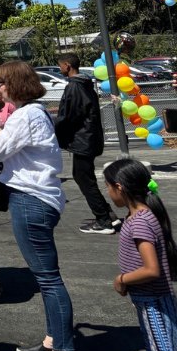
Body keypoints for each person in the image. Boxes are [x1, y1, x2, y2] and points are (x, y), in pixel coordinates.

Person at [0, 60, 75, 351]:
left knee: (49, 280)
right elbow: (16, 145)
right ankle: (54, 339)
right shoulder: (33, 112)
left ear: (13, 84)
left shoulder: (26, 114)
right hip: (40, 198)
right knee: (47, 277)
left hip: (32, 201)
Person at [104, 158, 177, 351]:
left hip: (153, 303)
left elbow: (151, 269)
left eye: (108, 187)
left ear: (119, 187)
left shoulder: (139, 222)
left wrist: (121, 280)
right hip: (151, 300)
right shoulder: (140, 215)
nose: (107, 192)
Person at [54, 54, 120, 235]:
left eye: (60, 66)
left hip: (83, 139)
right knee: (84, 176)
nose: (60, 69)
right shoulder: (85, 84)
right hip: (88, 138)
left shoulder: (74, 87)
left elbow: (69, 115)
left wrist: (53, 127)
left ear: (67, 66)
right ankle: (107, 213)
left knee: (84, 179)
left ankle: (104, 219)